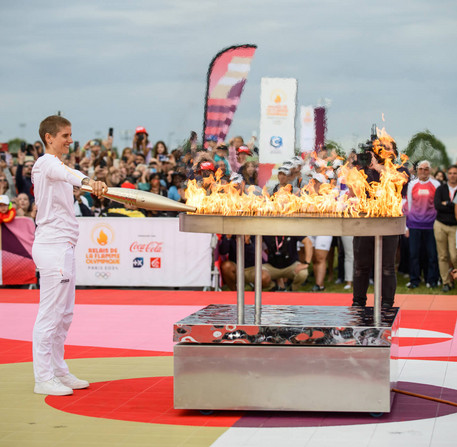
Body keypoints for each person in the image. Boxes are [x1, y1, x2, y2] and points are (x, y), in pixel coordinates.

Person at [32, 115, 107, 396]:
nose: (70, 140)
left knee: (64, 315)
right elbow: (68, 174)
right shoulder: (45, 163)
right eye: (65, 135)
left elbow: (69, 176)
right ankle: (43, 377)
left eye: (70, 134)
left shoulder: (58, 167)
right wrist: (89, 180)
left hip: (64, 246)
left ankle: (59, 371)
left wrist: (91, 186)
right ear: (49, 138)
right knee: (50, 314)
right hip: (52, 247)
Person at [351, 137, 409, 308]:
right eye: (379, 148)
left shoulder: (400, 169)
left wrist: (377, 167)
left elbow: (400, 181)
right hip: (365, 223)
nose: (382, 151)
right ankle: (358, 303)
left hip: (388, 223)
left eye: (386, 148)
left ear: (394, 153)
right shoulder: (363, 170)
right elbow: (353, 192)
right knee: (361, 267)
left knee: (387, 268)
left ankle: (387, 305)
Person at [404, 160, 440, 288]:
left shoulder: (436, 184)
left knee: (431, 255)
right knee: (414, 255)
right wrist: (406, 226)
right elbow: (408, 205)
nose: (423, 171)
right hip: (414, 225)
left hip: (431, 225)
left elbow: (438, 205)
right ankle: (414, 280)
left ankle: (432, 280)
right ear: (417, 170)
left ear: (429, 170)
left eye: (426, 169)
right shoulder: (412, 184)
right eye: (421, 169)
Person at [433, 164, 457, 292]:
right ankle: (446, 282)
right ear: (447, 174)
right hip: (440, 225)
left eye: (455, 173)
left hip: (455, 227)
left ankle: (454, 277)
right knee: (442, 256)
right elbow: (437, 206)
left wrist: (447, 203)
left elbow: (445, 206)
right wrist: (452, 206)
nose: (453, 175)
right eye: (451, 173)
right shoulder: (441, 189)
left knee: (454, 256)